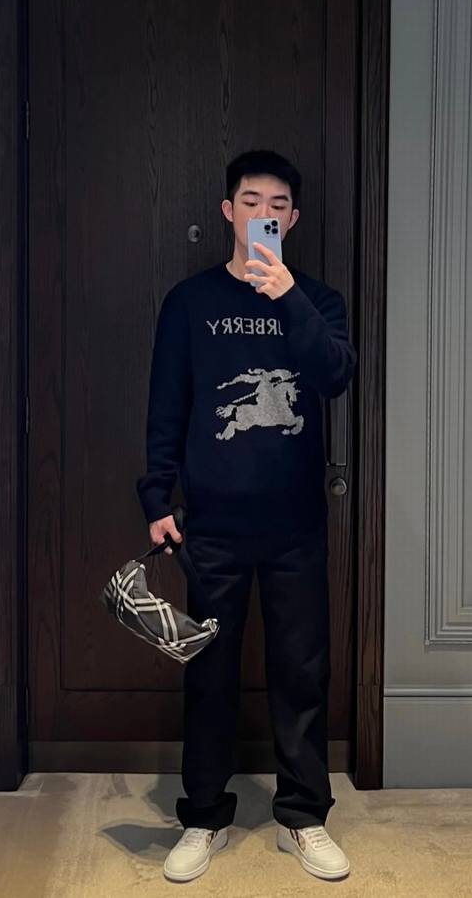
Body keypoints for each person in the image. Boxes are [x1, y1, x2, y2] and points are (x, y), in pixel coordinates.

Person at [136, 148, 357, 883]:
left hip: (296, 523)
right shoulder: (190, 302)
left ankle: (303, 816)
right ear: (229, 211)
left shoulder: (318, 300)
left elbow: (334, 376)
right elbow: (168, 403)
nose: (264, 213)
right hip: (211, 525)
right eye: (251, 201)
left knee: (302, 671)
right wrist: (156, 496)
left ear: (293, 219)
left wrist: (287, 295)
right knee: (209, 673)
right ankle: (203, 816)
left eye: (278, 205)